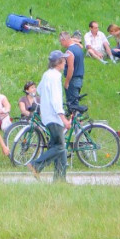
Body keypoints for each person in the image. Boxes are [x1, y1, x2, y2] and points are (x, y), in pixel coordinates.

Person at [27, 50, 71, 182]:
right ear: (58, 63)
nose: (65, 62)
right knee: (60, 147)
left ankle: (60, 180)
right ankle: (36, 165)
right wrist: (63, 118)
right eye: (64, 60)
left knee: (59, 148)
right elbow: (56, 99)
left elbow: (39, 90)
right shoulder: (56, 76)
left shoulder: (47, 74)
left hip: (47, 115)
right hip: (54, 116)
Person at [60, 31, 85, 111]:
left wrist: (67, 82)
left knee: (72, 105)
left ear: (64, 40)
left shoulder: (69, 52)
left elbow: (71, 68)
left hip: (73, 80)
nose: (61, 44)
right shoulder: (78, 48)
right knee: (75, 102)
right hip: (79, 78)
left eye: (61, 42)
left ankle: (75, 121)